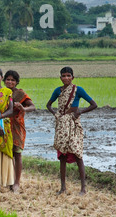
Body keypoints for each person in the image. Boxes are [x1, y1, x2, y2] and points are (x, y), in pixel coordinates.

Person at [46, 66, 97, 195]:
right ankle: (63, 188)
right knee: (62, 155)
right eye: (64, 76)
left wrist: (80, 111)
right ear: (60, 77)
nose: (66, 78)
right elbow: (49, 105)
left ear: (72, 77)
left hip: (74, 125)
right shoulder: (58, 91)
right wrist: (56, 115)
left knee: (77, 154)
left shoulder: (78, 90)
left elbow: (94, 104)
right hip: (62, 126)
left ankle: (83, 188)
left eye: (69, 76)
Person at [4, 70, 36, 193]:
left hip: (17, 127)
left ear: (17, 82)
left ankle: (17, 182)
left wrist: (23, 108)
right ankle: (10, 180)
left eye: (12, 80)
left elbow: (32, 107)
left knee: (17, 153)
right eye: (8, 79)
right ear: (4, 80)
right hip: (4, 126)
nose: (10, 82)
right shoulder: (2, 93)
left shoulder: (20, 94)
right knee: (7, 153)